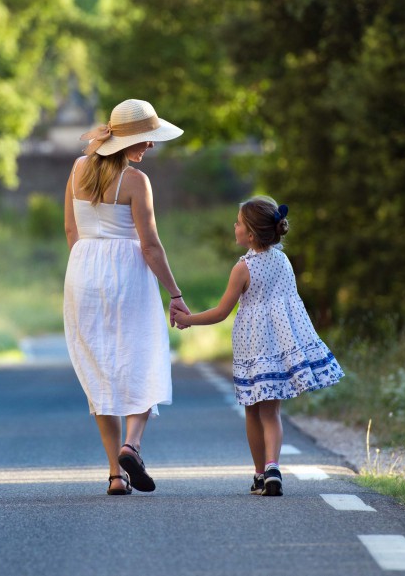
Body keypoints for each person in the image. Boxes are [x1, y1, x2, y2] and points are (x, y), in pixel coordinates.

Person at [172, 195, 343, 496]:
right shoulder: (283, 260)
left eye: (237, 223)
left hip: (252, 347)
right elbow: (290, 305)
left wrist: (188, 319)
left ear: (250, 234)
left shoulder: (243, 268)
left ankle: (260, 475)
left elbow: (222, 312)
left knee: (252, 412)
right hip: (279, 344)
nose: (233, 226)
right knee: (271, 413)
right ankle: (274, 465)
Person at [63, 98, 190, 496]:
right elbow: (150, 246)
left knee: (100, 367)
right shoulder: (135, 181)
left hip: (83, 269)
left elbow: (71, 230)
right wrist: (175, 294)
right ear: (126, 141)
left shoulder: (78, 168)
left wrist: (87, 269)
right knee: (144, 355)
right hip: (128, 271)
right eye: (145, 139)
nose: (149, 146)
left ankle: (115, 476)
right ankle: (131, 445)